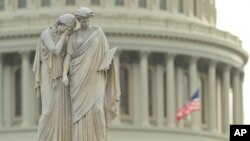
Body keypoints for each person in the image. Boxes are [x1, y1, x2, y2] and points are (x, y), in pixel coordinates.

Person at [62, 7, 120, 141]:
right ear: (79, 20)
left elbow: (106, 53)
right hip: (77, 76)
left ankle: (101, 138)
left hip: (96, 74)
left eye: (87, 19)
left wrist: (108, 62)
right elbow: (68, 57)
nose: (85, 22)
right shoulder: (74, 36)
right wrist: (65, 74)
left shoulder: (98, 33)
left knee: (98, 109)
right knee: (78, 114)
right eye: (82, 20)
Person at [33, 13, 76, 141]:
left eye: (71, 30)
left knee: (62, 111)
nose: (70, 32)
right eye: (69, 29)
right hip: (49, 75)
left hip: (61, 76)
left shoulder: (66, 37)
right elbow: (55, 51)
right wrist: (64, 35)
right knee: (48, 111)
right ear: (61, 24)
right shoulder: (46, 34)